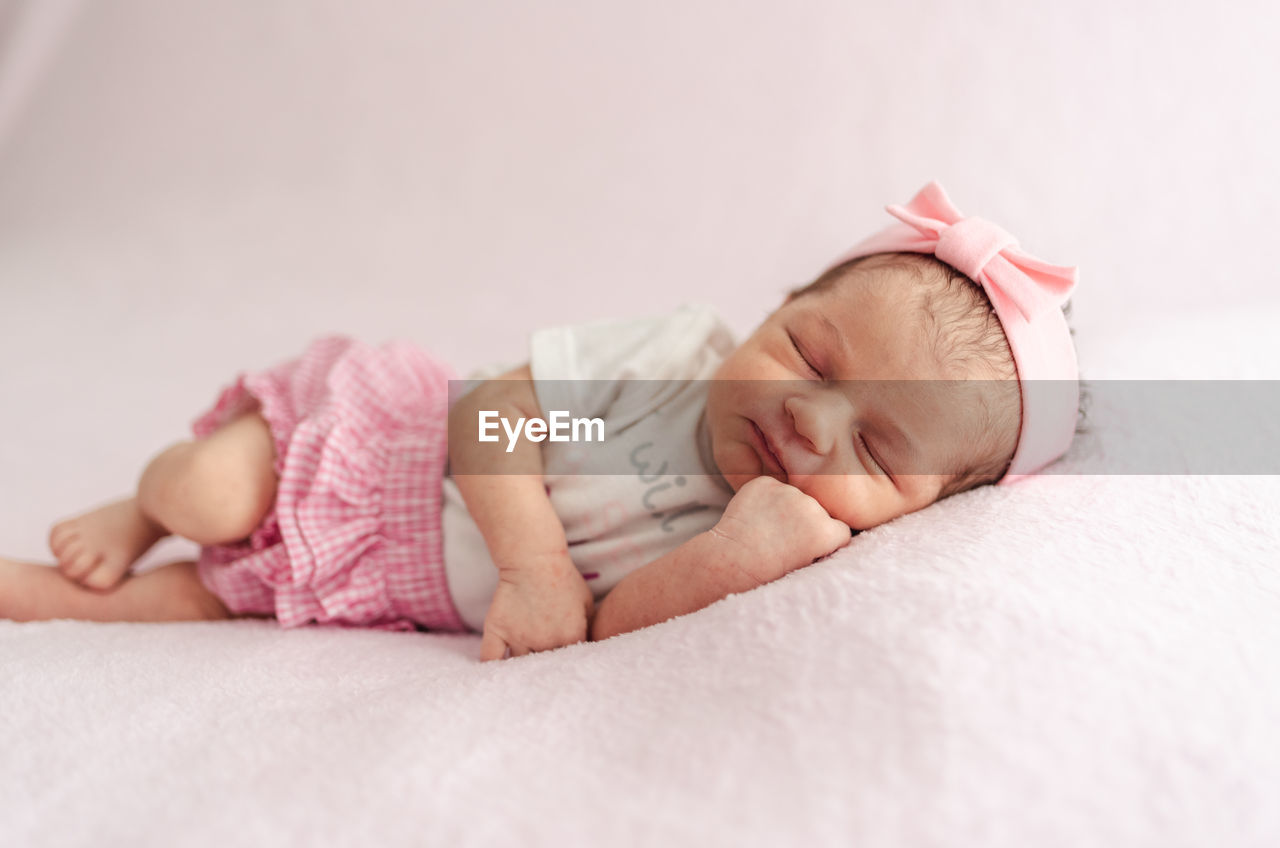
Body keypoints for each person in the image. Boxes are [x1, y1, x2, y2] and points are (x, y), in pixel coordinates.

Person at [0, 181, 1081, 661]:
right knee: (208, 496)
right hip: (378, 457)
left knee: (203, 604)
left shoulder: (786, 543)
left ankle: (41, 595)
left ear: (927, 510)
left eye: (879, 448)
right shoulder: (672, 359)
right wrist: (533, 564)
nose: (807, 419)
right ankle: (142, 505)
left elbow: (611, 630)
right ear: (769, 312)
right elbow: (491, 412)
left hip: (385, 585)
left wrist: (738, 557)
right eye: (805, 353)